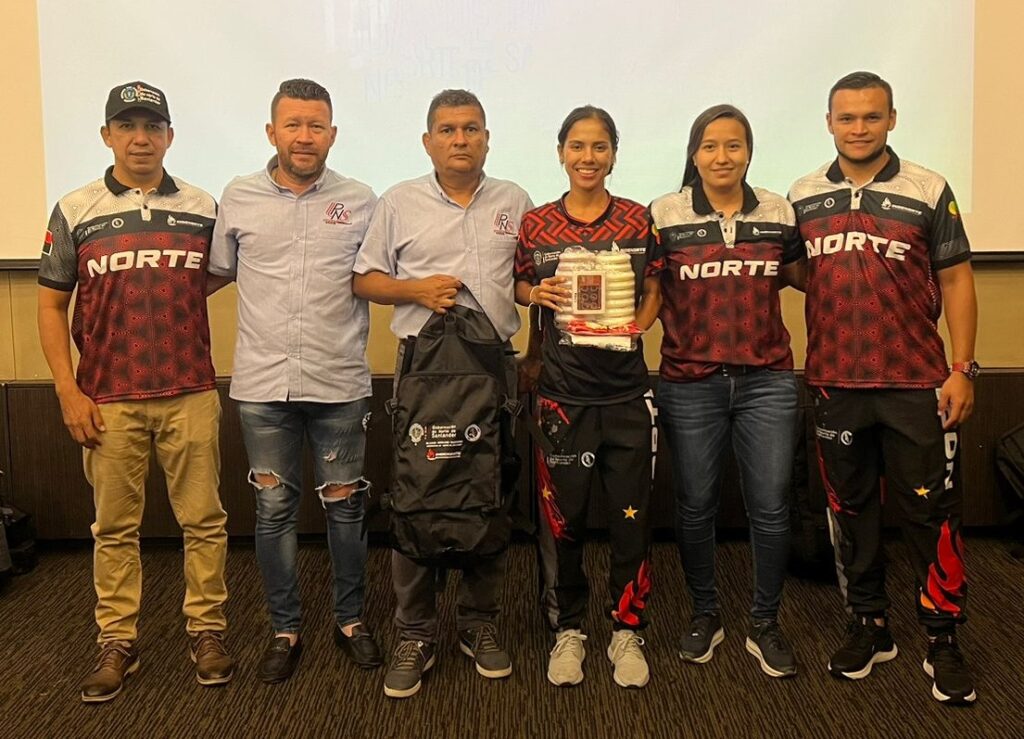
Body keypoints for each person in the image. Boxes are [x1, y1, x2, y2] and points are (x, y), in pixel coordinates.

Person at [37, 81, 232, 702]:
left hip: (190, 389)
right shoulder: (75, 208)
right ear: (107, 135)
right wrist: (67, 391)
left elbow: (211, 278)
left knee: (204, 521)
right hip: (107, 398)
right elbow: (51, 306)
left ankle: (207, 630)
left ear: (170, 136)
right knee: (114, 528)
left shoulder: (203, 207)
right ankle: (117, 641)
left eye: (152, 127)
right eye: (127, 126)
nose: (140, 138)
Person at [789, 71, 978, 704]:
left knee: (930, 515)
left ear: (892, 119)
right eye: (847, 118)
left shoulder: (929, 187)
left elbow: (956, 280)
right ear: (829, 122)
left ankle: (942, 637)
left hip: (916, 382)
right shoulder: (803, 195)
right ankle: (869, 624)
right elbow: (795, 270)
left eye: (872, 116)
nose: (859, 128)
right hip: (834, 384)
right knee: (851, 515)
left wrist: (963, 369)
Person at [353, 89, 532, 699]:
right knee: (418, 493)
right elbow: (364, 279)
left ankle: (480, 623)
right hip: (423, 371)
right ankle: (415, 631)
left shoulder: (515, 200)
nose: (461, 139)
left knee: (490, 488)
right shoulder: (398, 202)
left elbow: (523, 281)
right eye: (448, 130)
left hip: (494, 368)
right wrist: (416, 290)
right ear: (428, 141)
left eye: (471, 129)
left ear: (487, 138)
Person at [208, 79, 382, 682]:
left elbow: (378, 277)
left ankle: (351, 621)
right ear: (272, 132)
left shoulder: (361, 200)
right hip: (263, 388)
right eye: (293, 125)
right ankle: (284, 630)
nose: (304, 137)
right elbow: (214, 274)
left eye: (315, 126)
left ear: (332, 134)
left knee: (346, 510)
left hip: (339, 383)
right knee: (274, 510)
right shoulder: (238, 196)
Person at [649, 105, 803, 679]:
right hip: (689, 382)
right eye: (710, 146)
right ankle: (704, 613)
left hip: (768, 381)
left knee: (771, 505)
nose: (722, 157)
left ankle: (765, 622)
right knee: (695, 505)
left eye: (733, 145)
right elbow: (646, 291)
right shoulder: (664, 213)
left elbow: (806, 277)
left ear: (749, 152)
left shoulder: (778, 211)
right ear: (694, 154)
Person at [513, 106, 660, 689]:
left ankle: (627, 628)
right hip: (562, 397)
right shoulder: (536, 224)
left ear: (614, 154)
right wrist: (535, 293)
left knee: (631, 519)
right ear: (561, 153)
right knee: (562, 522)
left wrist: (638, 326)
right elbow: (520, 283)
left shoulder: (638, 219)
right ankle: (567, 628)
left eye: (600, 146)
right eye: (577, 146)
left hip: (625, 394)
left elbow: (655, 288)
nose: (588, 157)